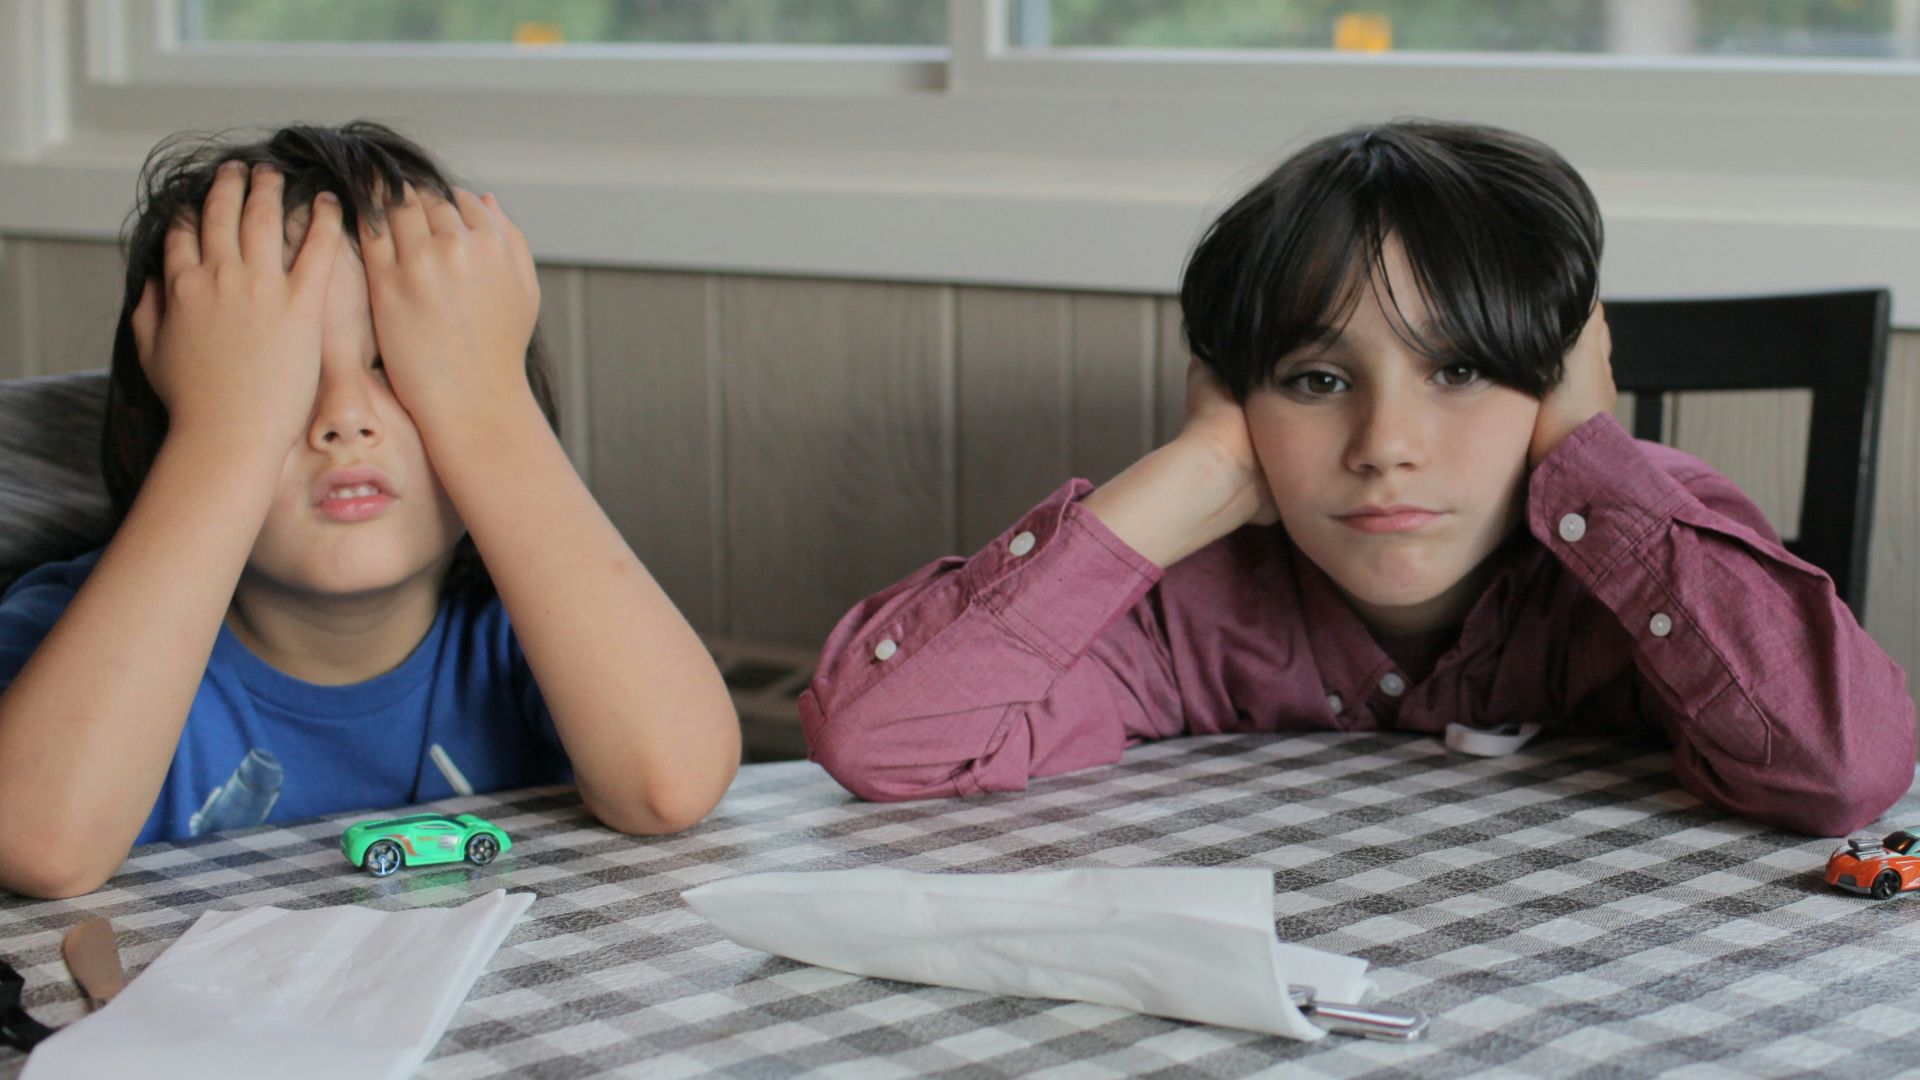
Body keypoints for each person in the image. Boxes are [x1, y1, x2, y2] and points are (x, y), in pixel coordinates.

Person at [801, 120, 1914, 836]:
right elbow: (882, 740)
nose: (1387, 442)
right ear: (1234, 403)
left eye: (1464, 369)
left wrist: (1589, 453)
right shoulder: (1180, 609)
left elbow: (1845, 769)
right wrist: (1189, 476)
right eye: (1318, 380)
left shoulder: (1645, 544)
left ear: (1562, 382)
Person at [0, 122, 740, 898]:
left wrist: (487, 407)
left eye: (400, 364)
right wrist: (225, 432)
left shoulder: (533, 634)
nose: (346, 417)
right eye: (281, 376)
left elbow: (671, 786)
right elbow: (40, 847)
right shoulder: (67, 632)